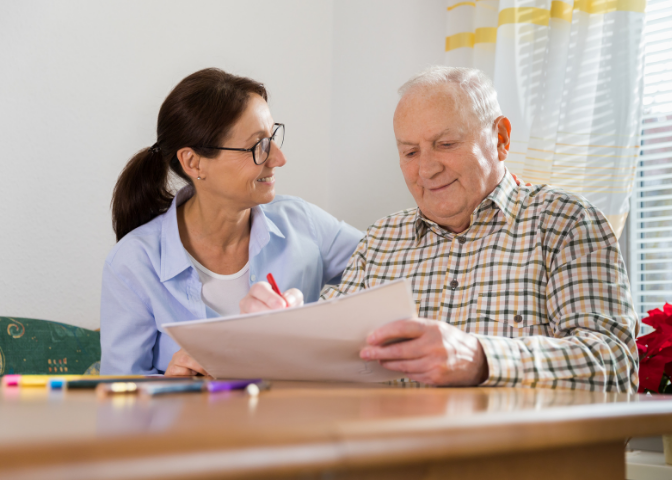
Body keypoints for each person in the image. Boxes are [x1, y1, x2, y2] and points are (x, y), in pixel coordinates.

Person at [254, 66, 638, 391]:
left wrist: (482, 358)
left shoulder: (565, 222)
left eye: (446, 144)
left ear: (501, 139)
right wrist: (283, 327)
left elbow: (616, 363)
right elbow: (332, 356)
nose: (426, 169)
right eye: (410, 152)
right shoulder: (381, 240)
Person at [100, 68, 362, 375]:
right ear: (193, 162)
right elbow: (118, 397)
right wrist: (170, 385)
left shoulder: (304, 224)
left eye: (273, 137)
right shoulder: (133, 262)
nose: (278, 158)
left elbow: (397, 265)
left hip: (296, 420)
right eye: (258, 146)